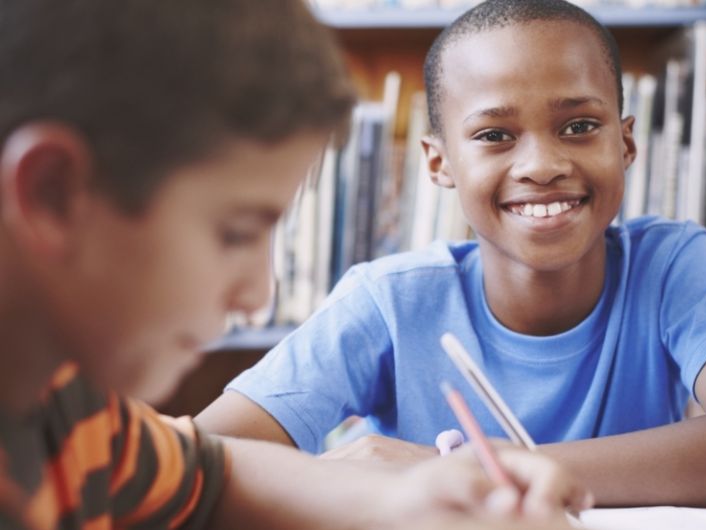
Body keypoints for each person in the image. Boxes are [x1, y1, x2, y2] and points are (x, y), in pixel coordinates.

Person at [0, 0, 591, 529]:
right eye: (235, 234)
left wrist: (398, 503)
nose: (257, 295)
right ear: (53, 194)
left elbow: (213, 471)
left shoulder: (69, 412)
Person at [197, 0, 706, 508]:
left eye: (579, 126)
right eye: (495, 135)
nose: (541, 164)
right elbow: (196, 462)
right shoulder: (389, 302)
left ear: (626, 144)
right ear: (439, 162)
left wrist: (473, 470)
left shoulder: (673, 266)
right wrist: (332, 486)